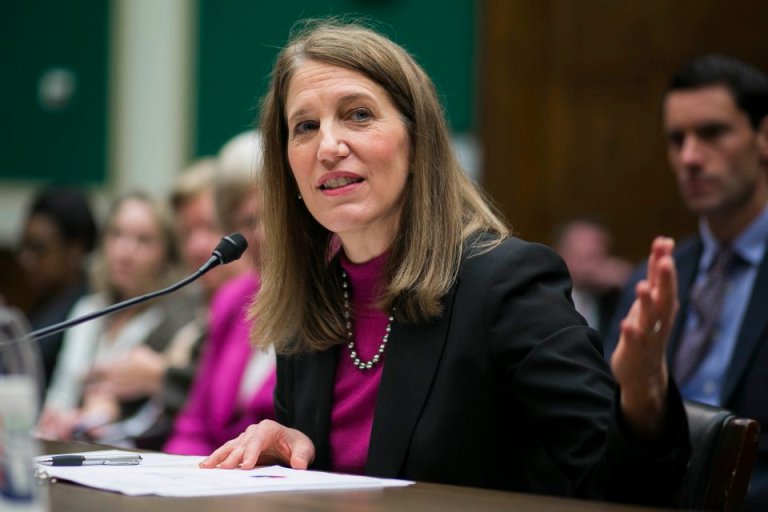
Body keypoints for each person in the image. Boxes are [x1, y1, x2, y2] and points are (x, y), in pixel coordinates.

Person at [200, 19, 689, 506]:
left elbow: (617, 488)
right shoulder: (311, 301)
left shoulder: (506, 284)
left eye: (358, 115)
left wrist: (642, 400)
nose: (328, 146)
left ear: (417, 143)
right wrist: (286, 458)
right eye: (305, 127)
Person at [607, 54, 768, 510]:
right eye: (677, 140)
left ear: (764, 137)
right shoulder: (654, 275)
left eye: (712, 133)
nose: (690, 157)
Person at [37, 191, 196, 445]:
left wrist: (87, 419)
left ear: (166, 254)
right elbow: (62, 393)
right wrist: (54, 418)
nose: (125, 252)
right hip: (64, 442)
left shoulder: (178, 319)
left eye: (143, 241)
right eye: (117, 234)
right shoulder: (89, 307)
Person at [165, 131, 276, 455]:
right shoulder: (232, 299)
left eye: (276, 214)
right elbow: (192, 426)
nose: (266, 232)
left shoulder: (331, 299)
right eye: (251, 220)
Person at [16, 187, 97, 386]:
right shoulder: (34, 300)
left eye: (39, 249)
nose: (26, 260)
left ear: (75, 250)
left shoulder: (88, 311)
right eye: (23, 247)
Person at [552, 217, 631, 338]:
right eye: (579, 256)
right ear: (558, 254)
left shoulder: (612, 299)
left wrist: (628, 279)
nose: (587, 267)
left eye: (595, 255)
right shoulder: (547, 299)